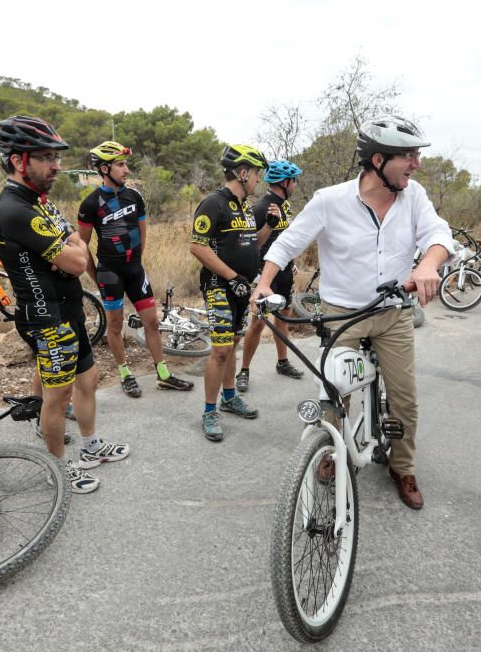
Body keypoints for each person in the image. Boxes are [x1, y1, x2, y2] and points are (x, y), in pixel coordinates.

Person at [252, 116, 454, 510]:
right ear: (378, 160)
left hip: (393, 311)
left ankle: (402, 466)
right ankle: (330, 450)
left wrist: (429, 263)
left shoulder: (414, 196)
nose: (417, 164)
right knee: (332, 389)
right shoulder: (330, 200)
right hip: (341, 312)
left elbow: (438, 234)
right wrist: (263, 283)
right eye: (409, 156)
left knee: (404, 398)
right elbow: (286, 243)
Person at [0, 115, 130, 493]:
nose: (57, 165)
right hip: (45, 317)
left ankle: (91, 446)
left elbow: (76, 245)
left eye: (57, 156)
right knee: (57, 396)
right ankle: (58, 468)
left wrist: (70, 249)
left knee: (89, 379)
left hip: (68, 310)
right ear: (19, 161)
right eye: (46, 157)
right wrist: (70, 251)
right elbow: (77, 260)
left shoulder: (40, 202)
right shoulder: (14, 208)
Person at [77, 141, 193, 397]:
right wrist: (96, 277)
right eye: (120, 165)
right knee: (116, 325)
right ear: (105, 169)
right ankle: (125, 374)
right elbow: (81, 247)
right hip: (109, 271)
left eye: (126, 164)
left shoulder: (135, 196)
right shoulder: (90, 204)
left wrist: (137, 263)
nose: (126, 169)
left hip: (134, 269)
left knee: (151, 322)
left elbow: (142, 235)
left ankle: (163, 374)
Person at [189, 145, 268, 441]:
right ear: (243, 173)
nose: (258, 179)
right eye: (256, 173)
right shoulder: (214, 202)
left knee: (232, 344)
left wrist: (269, 227)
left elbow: (252, 245)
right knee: (221, 350)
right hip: (219, 285)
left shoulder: (244, 206)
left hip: (241, 286)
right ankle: (210, 411)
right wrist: (232, 276)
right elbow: (197, 246)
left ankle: (230, 396)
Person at [235, 159, 305, 392]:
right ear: (284, 182)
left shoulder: (285, 206)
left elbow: (285, 240)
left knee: (283, 318)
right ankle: (243, 370)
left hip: (284, 272)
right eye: (293, 181)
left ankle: (282, 362)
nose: (295, 185)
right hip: (265, 273)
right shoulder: (262, 207)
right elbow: (249, 244)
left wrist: (291, 264)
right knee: (257, 322)